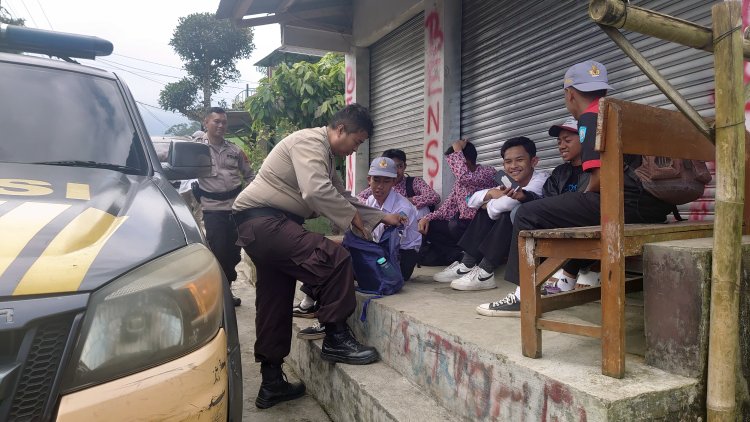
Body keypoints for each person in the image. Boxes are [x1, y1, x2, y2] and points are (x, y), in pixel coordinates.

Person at [232, 104, 405, 409]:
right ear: (340, 130)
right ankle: (336, 338)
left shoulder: (326, 157)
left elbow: (342, 197)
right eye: (357, 142)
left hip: (264, 227)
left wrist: (380, 216)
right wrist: (352, 217)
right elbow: (315, 191)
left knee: (274, 301)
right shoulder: (309, 142)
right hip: (265, 221)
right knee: (335, 259)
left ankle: (271, 382)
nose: (355, 150)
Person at [477, 60, 673, 317]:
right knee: (571, 209)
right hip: (652, 206)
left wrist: (578, 197)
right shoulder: (621, 113)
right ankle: (565, 277)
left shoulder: (592, 117)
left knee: (528, 213)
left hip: (621, 203)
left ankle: (522, 297)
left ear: (569, 94)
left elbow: (601, 178)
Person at [432, 137, 548, 291]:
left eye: (519, 160)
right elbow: (471, 200)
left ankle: (486, 271)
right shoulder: (508, 181)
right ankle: (467, 263)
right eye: (508, 162)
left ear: (534, 161)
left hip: (537, 230)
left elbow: (508, 203)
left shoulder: (541, 180)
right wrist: (491, 193)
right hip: (508, 232)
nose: (513, 166)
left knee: (511, 211)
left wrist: (489, 203)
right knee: (486, 210)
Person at [192, 107, 253, 307]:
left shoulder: (235, 151)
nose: (220, 125)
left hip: (236, 209)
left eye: (223, 122)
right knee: (218, 251)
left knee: (235, 253)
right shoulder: (197, 148)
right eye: (216, 121)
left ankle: (227, 287)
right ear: (206, 122)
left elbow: (250, 175)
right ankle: (221, 294)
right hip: (212, 209)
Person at [417, 140, 496, 266]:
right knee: (432, 226)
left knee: (455, 224)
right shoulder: (459, 183)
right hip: (463, 228)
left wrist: (457, 149)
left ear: (465, 162)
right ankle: (460, 256)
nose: (453, 169)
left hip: (482, 226)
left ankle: (475, 257)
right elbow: (446, 208)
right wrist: (426, 218)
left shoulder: (488, 173)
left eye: (454, 163)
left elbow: (465, 178)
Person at [363, 156, 422, 280]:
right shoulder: (370, 200)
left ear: (394, 182)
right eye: (376, 180)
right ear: (369, 180)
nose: (380, 186)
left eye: (386, 181)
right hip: (381, 250)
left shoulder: (403, 207)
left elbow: (393, 240)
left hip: (401, 255)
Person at [357, 149, 440, 219]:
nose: (396, 171)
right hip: (384, 223)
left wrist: (407, 201)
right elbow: (358, 198)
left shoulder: (414, 182)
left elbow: (434, 197)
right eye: (392, 168)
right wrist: (371, 206)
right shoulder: (379, 185)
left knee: (421, 209)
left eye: (399, 166)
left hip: (410, 226)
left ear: (405, 166)